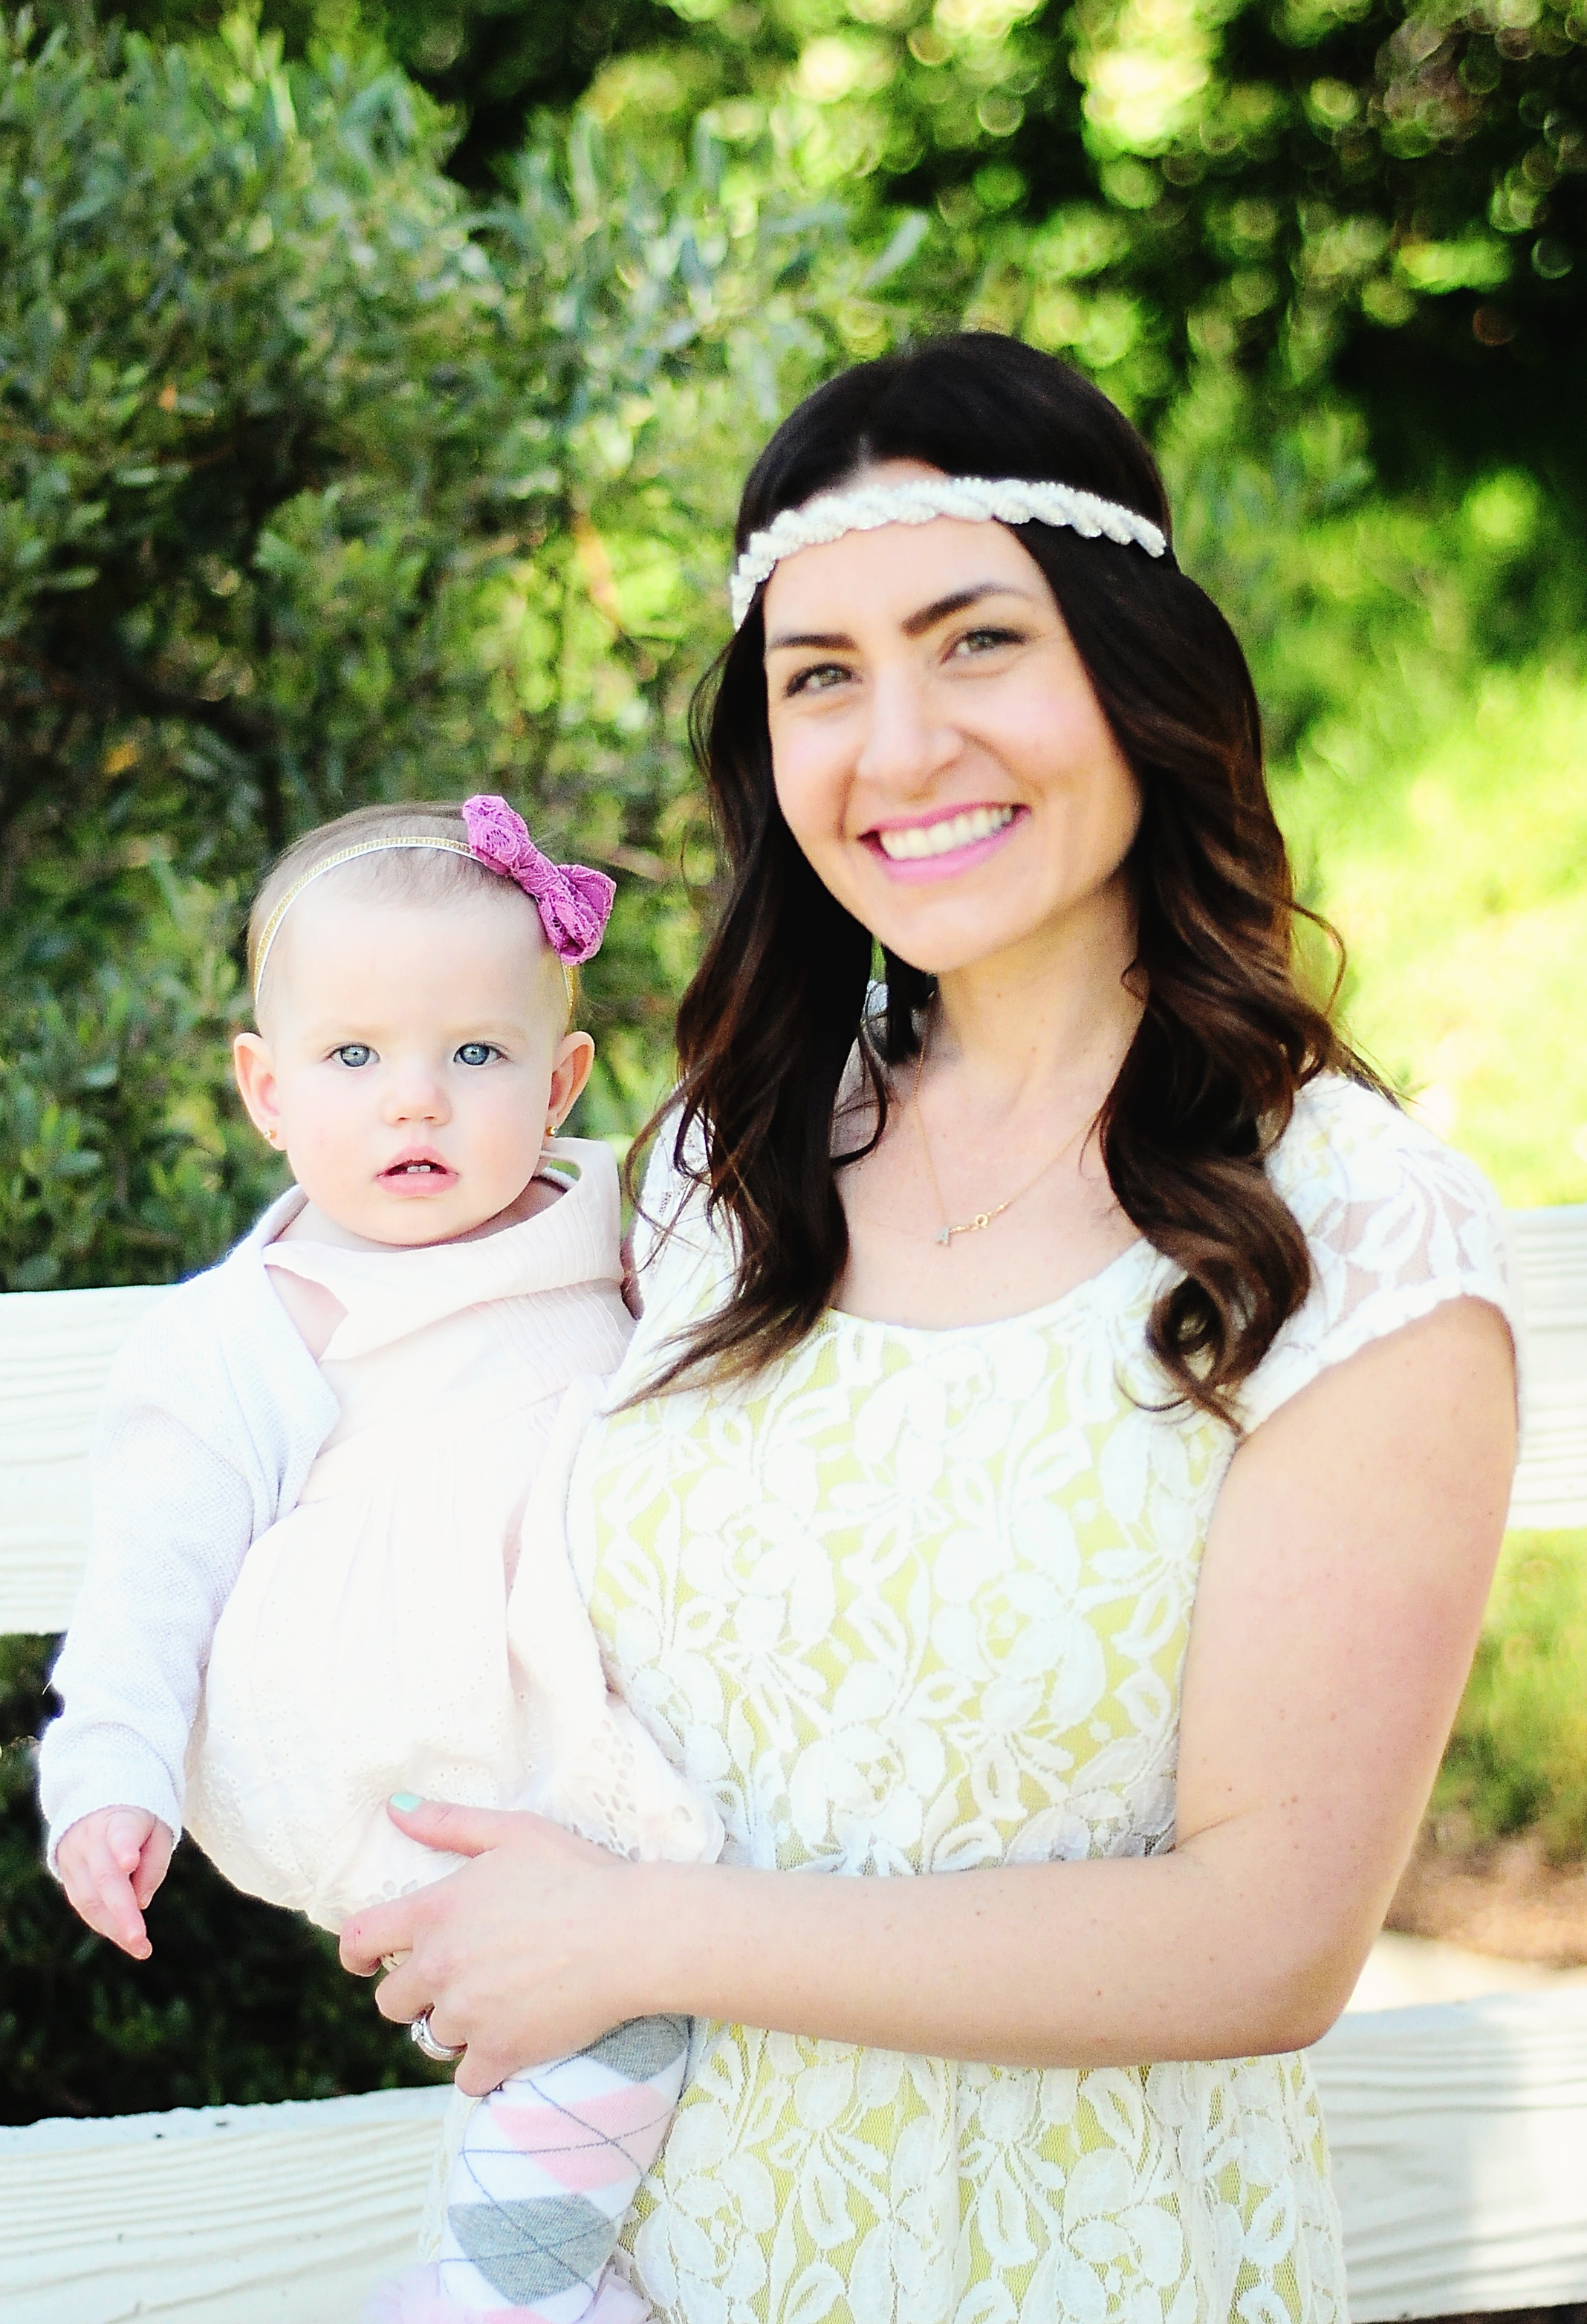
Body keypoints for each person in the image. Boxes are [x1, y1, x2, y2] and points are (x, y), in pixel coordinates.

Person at [341, 333, 1521, 2324]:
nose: (897, 750)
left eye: (979, 642)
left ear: (1136, 673)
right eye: (821, 676)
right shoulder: (727, 1163)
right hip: (656, 2269)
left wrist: (642, 1936)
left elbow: (1266, 1943)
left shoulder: (1350, 1227)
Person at [39, 794, 723, 2324]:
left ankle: (521, 2275)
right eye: (354, 1058)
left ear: (561, 1082)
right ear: (267, 1090)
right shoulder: (253, 1327)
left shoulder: (623, 1236)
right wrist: (112, 1773)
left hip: (593, 1720)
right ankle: (507, 2290)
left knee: (642, 1998)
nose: (416, 1102)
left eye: (474, 1055)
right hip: (409, 1750)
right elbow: (150, 1579)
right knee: (600, 2019)